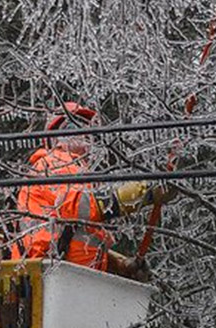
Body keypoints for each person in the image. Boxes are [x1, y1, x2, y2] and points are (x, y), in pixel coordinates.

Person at [10, 102, 174, 281]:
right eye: (72, 126)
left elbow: (78, 238)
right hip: (51, 278)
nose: (81, 134)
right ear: (52, 138)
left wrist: (119, 264)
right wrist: (144, 192)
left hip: (69, 278)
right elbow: (82, 207)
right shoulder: (52, 164)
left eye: (86, 128)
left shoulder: (80, 176)